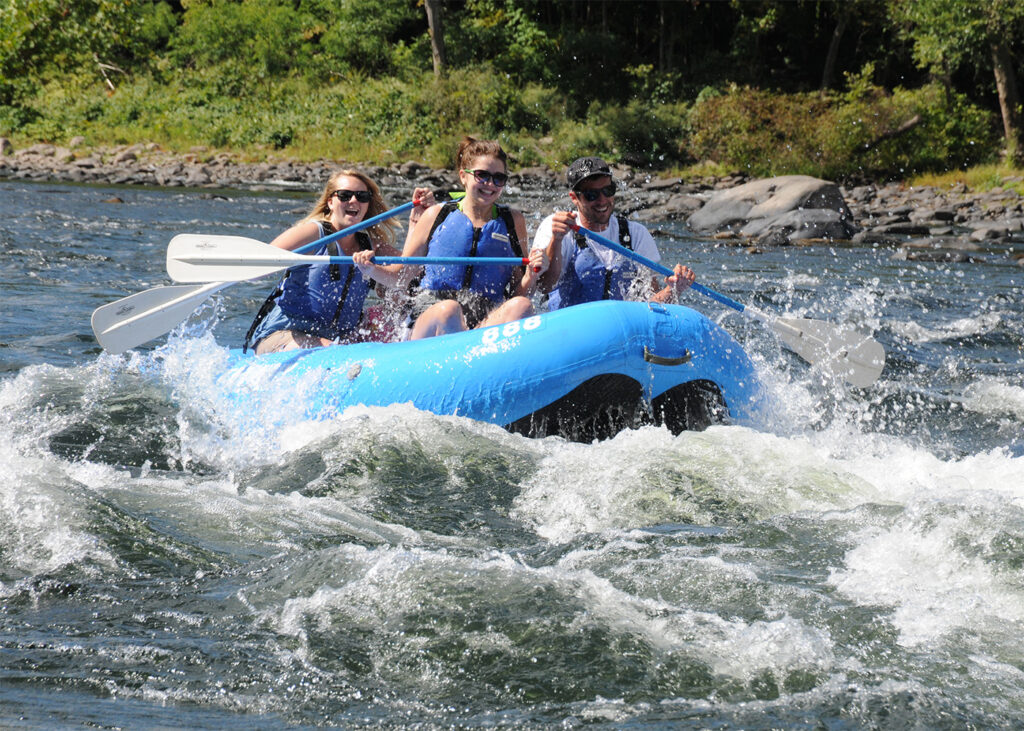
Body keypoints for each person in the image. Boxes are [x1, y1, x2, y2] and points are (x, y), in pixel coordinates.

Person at [355, 137, 548, 340]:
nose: (490, 184)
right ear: (463, 176)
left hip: (483, 324)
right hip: (432, 318)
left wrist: (532, 275)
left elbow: (519, 290)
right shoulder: (436, 215)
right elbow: (402, 276)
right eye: (482, 176)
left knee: (522, 306)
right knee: (449, 310)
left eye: (498, 178)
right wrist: (370, 269)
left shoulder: (513, 221)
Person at [244, 169, 434, 354]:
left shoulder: (370, 245)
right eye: (344, 195)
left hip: (337, 340)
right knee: (333, 350)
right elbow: (260, 266)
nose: (353, 201)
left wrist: (417, 222)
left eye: (361, 196)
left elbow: (404, 274)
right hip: (283, 335)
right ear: (330, 202)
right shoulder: (312, 234)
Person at [532, 156, 695, 310]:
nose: (602, 200)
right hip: (570, 331)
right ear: (574, 198)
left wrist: (673, 289)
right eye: (591, 195)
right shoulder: (557, 228)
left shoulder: (635, 234)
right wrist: (556, 240)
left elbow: (650, 305)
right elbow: (544, 286)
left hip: (621, 332)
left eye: (608, 190)